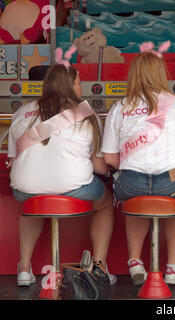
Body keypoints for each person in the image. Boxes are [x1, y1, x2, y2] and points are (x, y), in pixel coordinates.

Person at [102, 42, 175, 286]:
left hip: (131, 184)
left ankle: (135, 263)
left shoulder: (119, 107)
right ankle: (173, 267)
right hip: (172, 183)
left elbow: (109, 159)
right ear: (160, 74)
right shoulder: (174, 102)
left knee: (134, 200)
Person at [8, 64, 115, 286]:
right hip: (74, 187)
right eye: (78, 82)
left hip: (23, 187)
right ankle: (99, 266)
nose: (80, 86)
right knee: (105, 202)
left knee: (31, 204)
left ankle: (25, 270)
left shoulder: (22, 111)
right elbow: (100, 168)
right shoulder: (86, 114)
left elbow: (12, 157)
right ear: (69, 85)